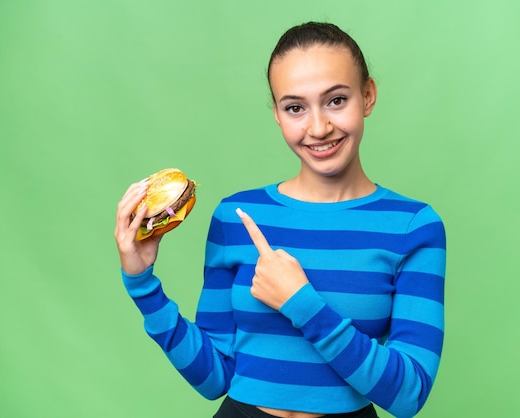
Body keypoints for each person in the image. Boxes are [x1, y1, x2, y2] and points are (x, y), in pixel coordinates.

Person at [115, 22, 446, 418]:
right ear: (276, 114)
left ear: (368, 96)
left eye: (336, 100)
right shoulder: (235, 218)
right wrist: (142, 284)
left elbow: (409, 395)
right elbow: (215, 377)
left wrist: (301, 302)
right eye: (295, 108)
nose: (319, 127)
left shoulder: (413, 226)